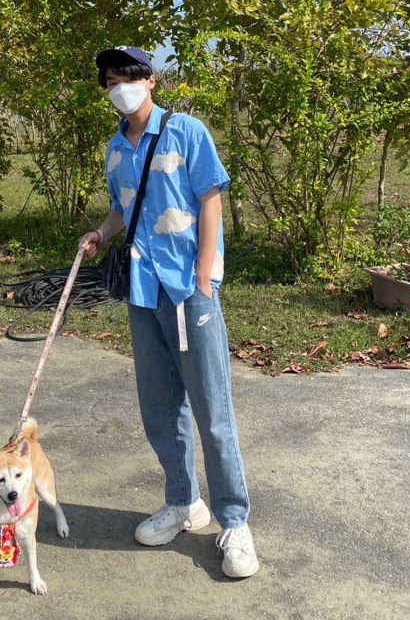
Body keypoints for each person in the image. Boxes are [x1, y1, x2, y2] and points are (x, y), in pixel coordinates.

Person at [80, 46, 258, 580]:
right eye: (111, 81)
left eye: (128, 78)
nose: (119, 88)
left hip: (189, 290)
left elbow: (210, 199)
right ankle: (184, 504)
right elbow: (121, 207)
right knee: (160, 409)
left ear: (150, 81)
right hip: (142, 292)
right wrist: (100, 233)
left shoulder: (185, 131)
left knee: (212, 412)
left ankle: (235, 522)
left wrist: (205, 276)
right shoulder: (115, 148)